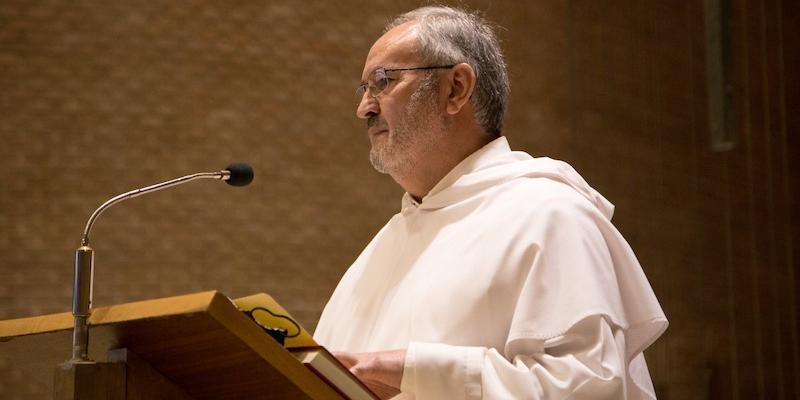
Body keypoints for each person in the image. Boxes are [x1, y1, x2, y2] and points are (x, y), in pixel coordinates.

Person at [314, 5, 667, 400]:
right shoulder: (378, 251)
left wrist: (414, 370)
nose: (365, 107)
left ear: (456, 89)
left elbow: (588, 388)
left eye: (383, 81)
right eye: (365, 89)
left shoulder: (548, 214)